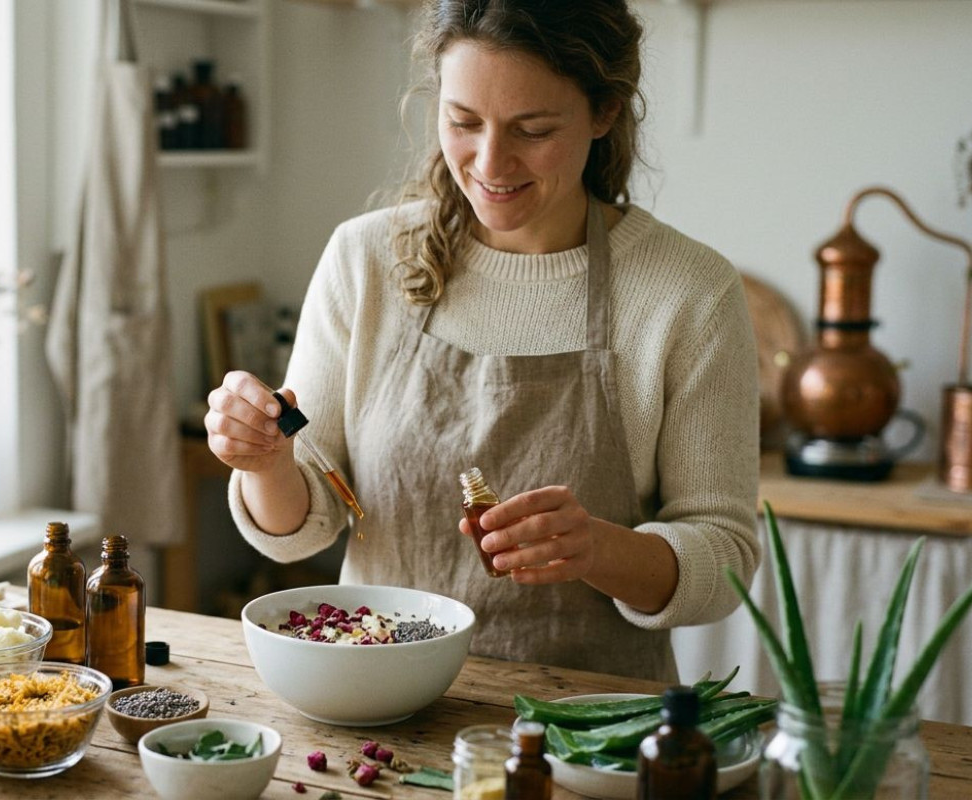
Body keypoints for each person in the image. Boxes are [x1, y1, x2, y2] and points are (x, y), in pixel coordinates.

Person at [204, 0, 759, 683]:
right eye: (464, 122)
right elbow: (306, 526)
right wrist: (263, 462)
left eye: (533, 129)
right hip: (381, 706)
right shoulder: (366, 258)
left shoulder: (688, 291)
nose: (491, 163)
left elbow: (726, 560)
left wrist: (599, 551)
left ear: (605, 113)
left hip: (587, 730)